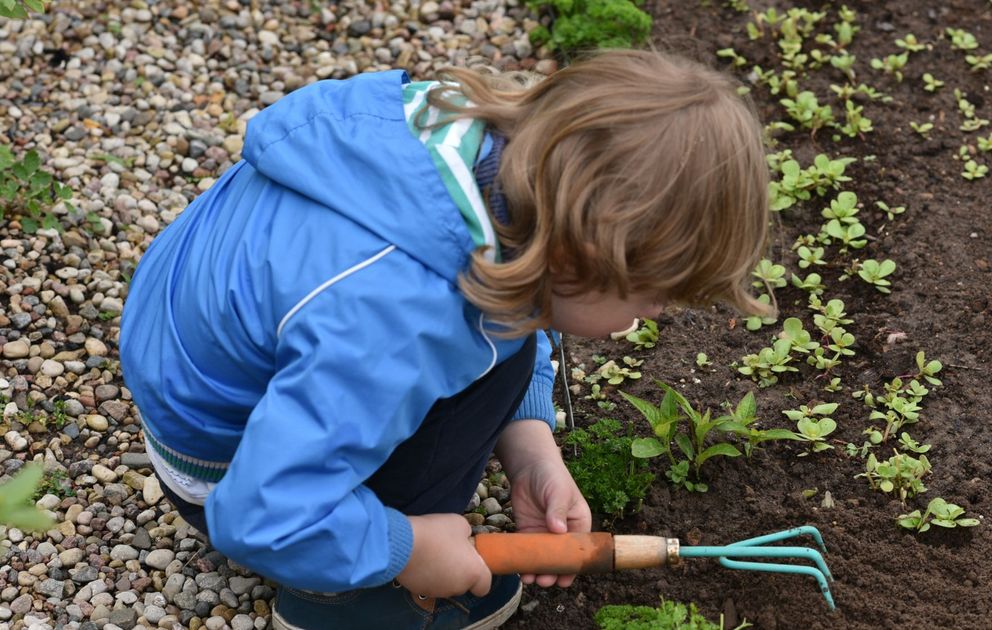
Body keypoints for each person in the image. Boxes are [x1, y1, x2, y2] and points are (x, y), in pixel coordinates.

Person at [119, 49, 770, 630]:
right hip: (226, 473)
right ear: (577, 258)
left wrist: (531, 447)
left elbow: (518, 303)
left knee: (500, 328)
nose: (655, 314)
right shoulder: (395, 317)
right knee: (450, 350)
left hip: (203, 378)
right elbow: (260, 513)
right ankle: (344, 603)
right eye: (651, 296)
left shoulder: (469, 151)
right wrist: (410, 548)